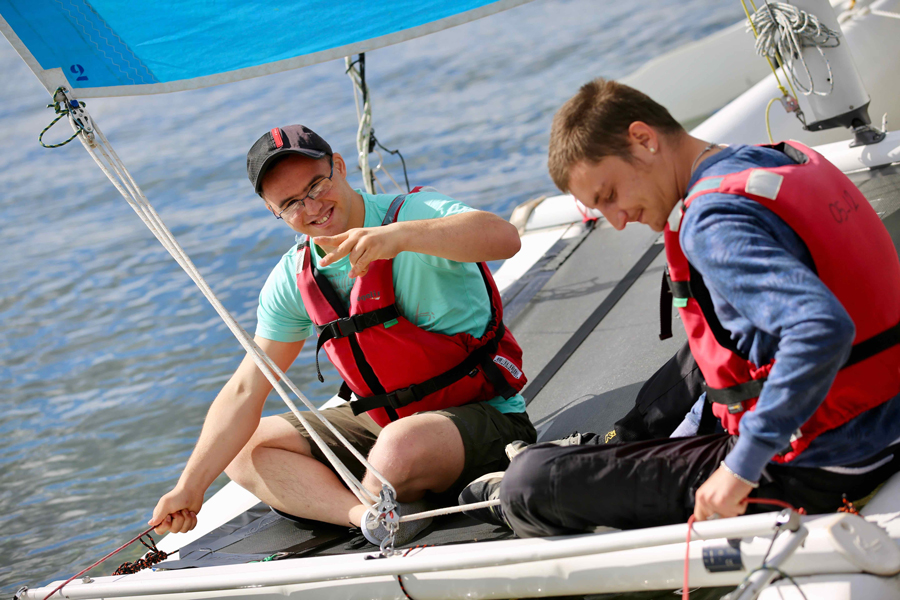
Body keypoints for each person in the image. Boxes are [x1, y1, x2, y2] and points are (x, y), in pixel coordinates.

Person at [460, 79, 900, 537]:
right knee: (704, 347)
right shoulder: (770, 161)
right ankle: (608, 448)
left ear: (643, 139)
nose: (617, 220)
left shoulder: (712, 220)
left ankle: (532, 483)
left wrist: (741, 467)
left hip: (821, 460)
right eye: (598, 210)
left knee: (532, 483)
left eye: (609, 195)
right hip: (885, 417)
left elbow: (821, 329)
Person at [149, 125, 536, 545]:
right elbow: (246, 389)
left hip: (484, 415)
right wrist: (190, 486)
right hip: (385, 424)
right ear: (272, 210)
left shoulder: (412, 213)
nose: (312, 207)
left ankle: (387, 495)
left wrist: (399, 237)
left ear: (339, 166)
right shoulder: (292, 277)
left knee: (398, 445)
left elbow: (505, 239)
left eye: (316, 185)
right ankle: (371, 517)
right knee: (245, 450)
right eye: (290, 203)